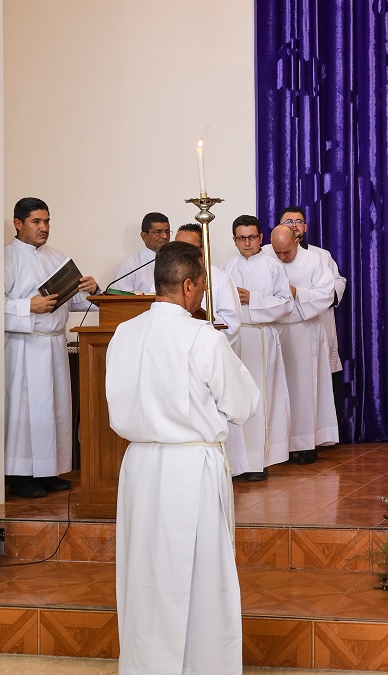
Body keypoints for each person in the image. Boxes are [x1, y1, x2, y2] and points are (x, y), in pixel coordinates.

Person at [106, 241, 258, 675]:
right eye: (203, 286)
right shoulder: (201, 338)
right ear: (189, 286)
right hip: (191, 467)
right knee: (200, 576)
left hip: (139, 467)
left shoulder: (124, 333)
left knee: (145, 574)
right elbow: (243, 404)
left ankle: (145, 665)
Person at [4, 197, 99, 498]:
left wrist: (91, 289)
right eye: (36, 222)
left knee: (54, 410)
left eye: (47, 221)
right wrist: (27, 306)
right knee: (26, 411)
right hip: (23, 346)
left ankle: (49, 470)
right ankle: (20, 476)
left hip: (54, 344)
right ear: (18, 223)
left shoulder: (58, 257)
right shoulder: (6, 258)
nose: (44, 228)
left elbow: (77, 302)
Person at [221, 215, 294, 481]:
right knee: (234, 398)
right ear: (234, 240)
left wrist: (254, 299)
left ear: (261, 238)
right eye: (242, 238)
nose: (247, 242)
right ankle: (236, 462)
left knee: (261, 400)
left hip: (262, 339)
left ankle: (259, 461)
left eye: (252, 237)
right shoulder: (225, 269)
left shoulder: (273, 267)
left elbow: (286, 304)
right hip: (233, 340)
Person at [264, 225, 338, 463]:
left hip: (303, 330)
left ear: (297, 241)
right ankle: (280, 444)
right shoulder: (265, 256)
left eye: (286, 252)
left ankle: (306, 444)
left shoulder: (314, 260)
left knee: (304, 390)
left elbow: (327, 294)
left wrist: (297, 293)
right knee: (279, 389)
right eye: (278, 253)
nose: (282, 258)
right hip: (276, 329)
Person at [278, 205, 347, 375]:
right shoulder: (269, 254)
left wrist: (314, 295)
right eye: (288, 221)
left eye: (298, 221)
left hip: (318, 321)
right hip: (283, 326)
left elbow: (338, 282)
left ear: (305, 227)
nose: (294, 225)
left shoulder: (321, 255)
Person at [174, 223, 242, 346]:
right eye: (177, 247)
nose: (180, 253)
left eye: (187, 248)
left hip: (205, 348)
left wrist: (196, 324)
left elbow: (231, 324)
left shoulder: (221, 278)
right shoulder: (166, 276)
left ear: (202, 249)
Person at [111, 212, 170, 293]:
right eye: (158, 232)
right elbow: (120, 300)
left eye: (167, 232)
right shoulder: (131, 265)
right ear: (144, 236)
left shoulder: (177, 260)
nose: (165, 236)